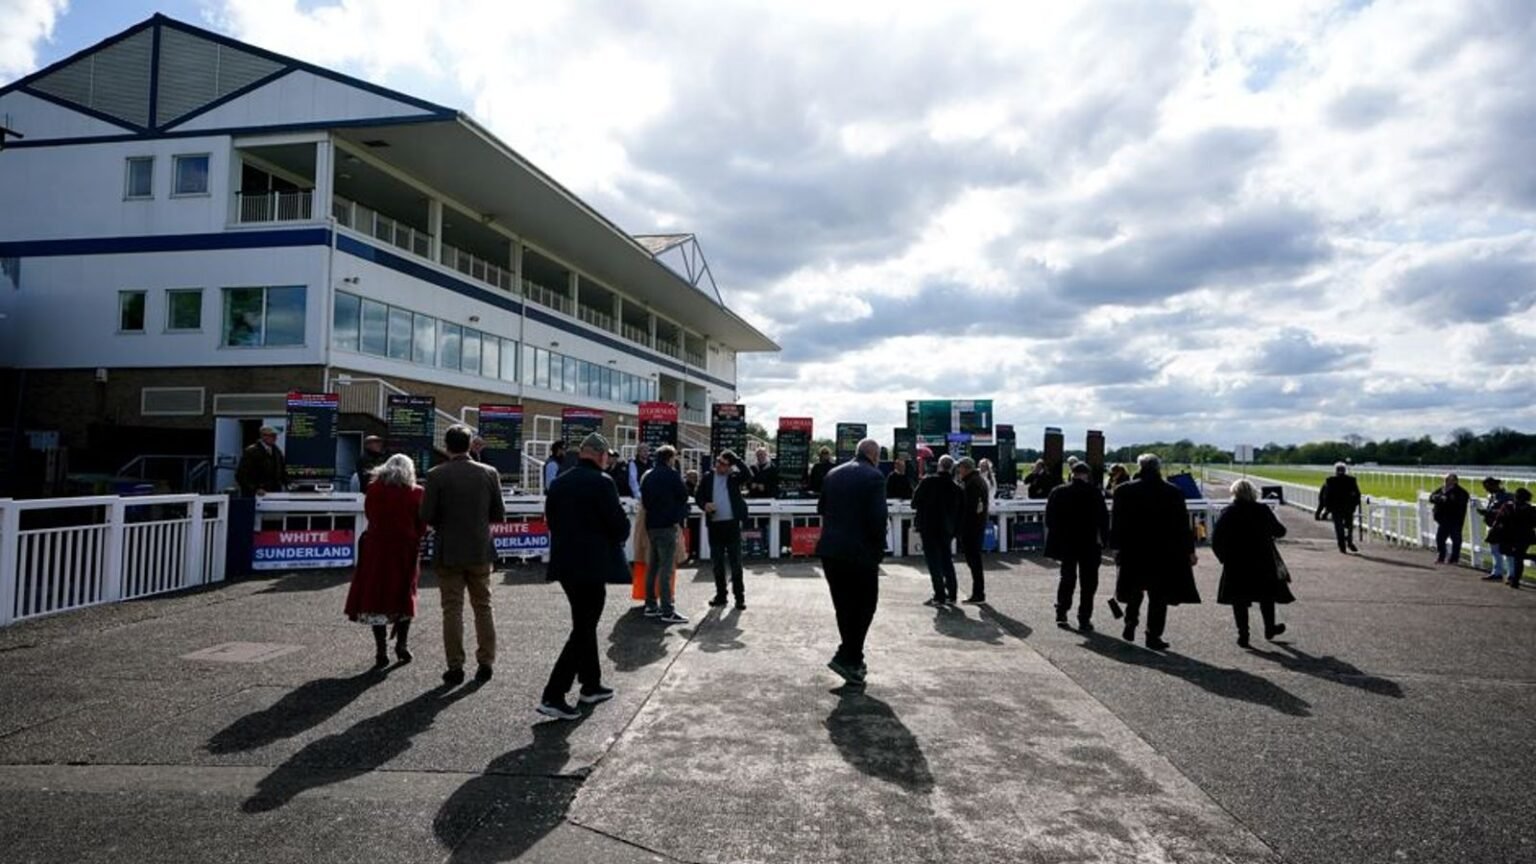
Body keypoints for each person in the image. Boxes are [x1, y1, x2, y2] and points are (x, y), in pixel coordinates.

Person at [539, 433, 627, 720]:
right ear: (600, 455)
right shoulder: (603, 483)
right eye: (607, 456)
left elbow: (550, 520)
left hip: (565, 564)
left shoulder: (559, 482)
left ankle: (591, 684)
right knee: (584, 627)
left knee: (583, 623)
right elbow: (618, 525)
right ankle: (553, 694)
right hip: (592, 564)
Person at [420, 424, 504, 686]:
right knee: (483, 606)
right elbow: (498, 514)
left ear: (447, 446)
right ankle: (486, 661)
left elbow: (426, 516)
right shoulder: (489, 473)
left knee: (452, 610)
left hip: (449, 550)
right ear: (470, 445)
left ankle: (455, 665)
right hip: (479, 548)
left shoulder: (436, 475)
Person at [816, 438, 888, 686]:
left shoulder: (832, 474)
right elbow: (878, 519)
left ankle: (851, 658)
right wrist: (878, 551)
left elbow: (822, 509)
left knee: (844, 606)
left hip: (831, 550)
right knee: (866, 606)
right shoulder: (875, 477)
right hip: (860, 552)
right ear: (874, 455)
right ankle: (848, 655)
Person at [1110, 454, 1200, 651]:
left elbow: (1116, 522)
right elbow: (1182, 525)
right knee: (1158, 596)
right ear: (1158, 468)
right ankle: (1153, 635)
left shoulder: (1123, 491)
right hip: (1164, 551)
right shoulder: (1173, 491)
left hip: (1133, 549)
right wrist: (1189, 551)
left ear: (1140, 467)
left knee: (1134, 588)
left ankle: (1131, 621)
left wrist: (1115, 547)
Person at [344, 454, 425, 667]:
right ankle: (402, 645)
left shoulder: (374, 489)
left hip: (376, 548)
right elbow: (422, 523)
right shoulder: (416, 493)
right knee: (404, 594)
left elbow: (370, 514)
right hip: (405, 549)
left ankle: (381, 650)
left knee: (377, 595)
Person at [1212, 479, 1294, 647]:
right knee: (1266, 597)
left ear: (1234, 493)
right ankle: (1269, 628)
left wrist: (1223, 558)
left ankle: (1243, 634)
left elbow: (1216, 539)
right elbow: (1280, 531)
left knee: (1239, 599)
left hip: (1236, 561)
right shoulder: (1262, 510)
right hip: (1262, 559)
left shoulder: (1229, 512)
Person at [1045, 461, 1109, 631]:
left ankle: (1061, 612)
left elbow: (1049, 520)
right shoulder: (1095, 493)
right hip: (1089, 543)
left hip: (1067, 543)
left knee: (1067, 578)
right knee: (1088, 583)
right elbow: (1103, 520)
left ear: (1072, 473)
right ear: (1087, 475)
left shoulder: (1058, 492)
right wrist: (1106, 541)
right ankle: (1084, 618)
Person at [639, 444, 690, 624]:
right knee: (666, 569)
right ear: (670, 458)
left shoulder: (648, 476)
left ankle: (651, 605)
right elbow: (684, 495)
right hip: (667, 525)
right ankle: (667, 610)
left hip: (651, 524)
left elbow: (644, 500)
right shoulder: (672, 475)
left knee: (652, 566)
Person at [695, 450, 750, 610]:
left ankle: (739, 597)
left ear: (729, 467)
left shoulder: (733, 478)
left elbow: (747, 474)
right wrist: (704, 505)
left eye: (723, 463)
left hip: (732, 525)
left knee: (736, 563)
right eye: (718, 461)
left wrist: (736, 458)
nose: (719, 465)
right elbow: (698, 496)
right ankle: (721, 595)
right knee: (717, 563)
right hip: (715, 525)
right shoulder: (707, 477)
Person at [911, 454, 961, 606]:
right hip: (947, 529)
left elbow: (914, 502)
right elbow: (960, 511)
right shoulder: (956, 488)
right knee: (947, 560)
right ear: (952, 468)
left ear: (939, 466)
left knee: (933, 562)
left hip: (928, 527)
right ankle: (952, 594)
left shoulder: (928, 481)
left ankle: (939, 595)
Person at [954, 457, 990, 604]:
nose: (958, 471)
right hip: (978, 525)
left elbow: (969, 508)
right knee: (975, 561)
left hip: (971, 528)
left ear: (966, 468)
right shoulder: (978, 480)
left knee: (974, 561)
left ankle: (978, 594)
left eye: (960, 468)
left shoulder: (971, 484)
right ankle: (978, 593)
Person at [1490, 487, 1534, 589]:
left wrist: (1495, 528)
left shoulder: (1511, 507)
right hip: (1521, 536)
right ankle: (1531, 557)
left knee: (1517, 558)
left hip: (1517, 536)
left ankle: (1515, 581)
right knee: (1514, 555)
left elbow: (1499, 518)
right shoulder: (1527, 508)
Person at [1315, 462, 1361, 553]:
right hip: (1348, 508)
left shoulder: (1330, 480)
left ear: (1335, 471)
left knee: (1339, 528)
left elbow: (1326, 497)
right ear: (1345, 470)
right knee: (1349, 527)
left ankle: (1342, 546)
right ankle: (1349, 542)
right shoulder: (1351, 480)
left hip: (1336, 509)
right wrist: (1354, 505)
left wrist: (1326, 510)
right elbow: (1357, 494)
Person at [1429, 473, 1471, 566]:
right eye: (1446, 479)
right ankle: (1441, 557)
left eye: (1449, 479)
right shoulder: (1442, 489)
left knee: (1456, 540)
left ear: (1455, 481)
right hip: (1443, 519)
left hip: (1454, 520)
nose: (1446, 481)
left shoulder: (1461, 492)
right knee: (1440, 539)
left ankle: (1454, 559)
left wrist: (1445, 500)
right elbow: (1431, 497)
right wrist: (1439, 498)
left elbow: (1457, 504)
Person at [1478, 477, 1515, 582]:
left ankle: (1511, 574)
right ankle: (1497, 572)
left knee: (1507, 551)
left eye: (1487, 487)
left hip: (1503, 528)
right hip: (1492, 526)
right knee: (1495, 551)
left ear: (1493, 485)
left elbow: (1507, 511)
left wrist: (1490, 512)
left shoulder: (1507, 496)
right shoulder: (1492, 496)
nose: (1486, 489)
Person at [236, 426, 288, 497]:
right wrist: (255, 489)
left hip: (273, 493)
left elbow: (281, 472)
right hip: (256, 494)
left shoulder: (277, 452)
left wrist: (287, 484)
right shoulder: (251, 451)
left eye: (275, 436)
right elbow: (241, 475)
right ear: (263, 436)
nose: (275, 438)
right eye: (272, 435)